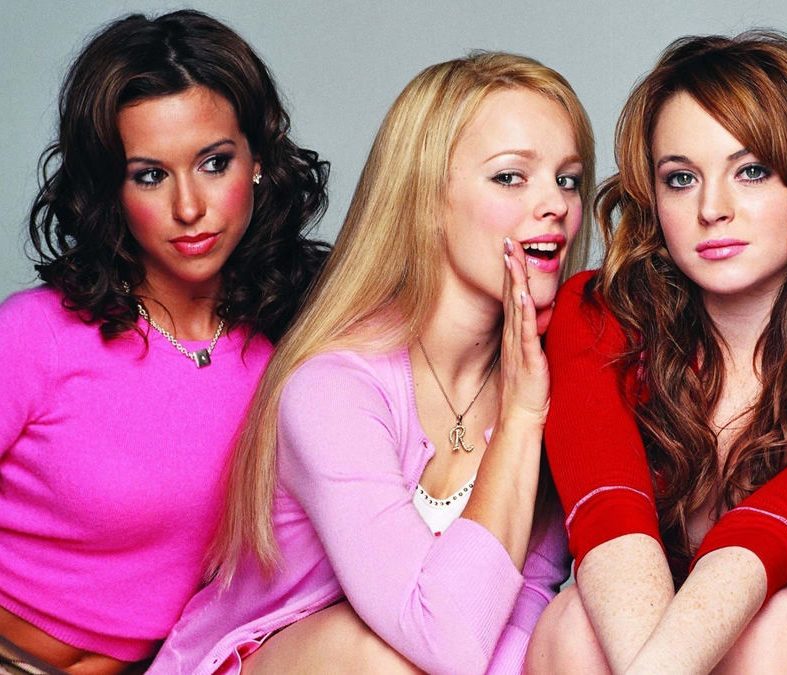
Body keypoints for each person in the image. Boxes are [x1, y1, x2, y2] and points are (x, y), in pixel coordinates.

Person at [149, 51, 594, 674]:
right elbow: (444, 640)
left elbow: (521, 613)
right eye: (510, 177)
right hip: (282, 661)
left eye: (568, 179)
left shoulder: (549, 380)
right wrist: (520, 421)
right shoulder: (334, 386)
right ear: (426, 199)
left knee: (575, 634)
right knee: (388, 660)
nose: (556, 205)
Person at [526, 31, 787, 674]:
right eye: (681, 179)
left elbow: (760, 542)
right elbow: (609, 524)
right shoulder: (596, 315)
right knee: (576, 618)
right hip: (627, 646)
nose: (712, 209)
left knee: (779, 620)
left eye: (751, 171)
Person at [0, 10, 329, 674]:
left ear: (258, 161)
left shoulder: (293, 354)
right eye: (150, 174)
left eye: (214, 163)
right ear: (111, 189)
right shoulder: (36, 334)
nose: (189, 208)